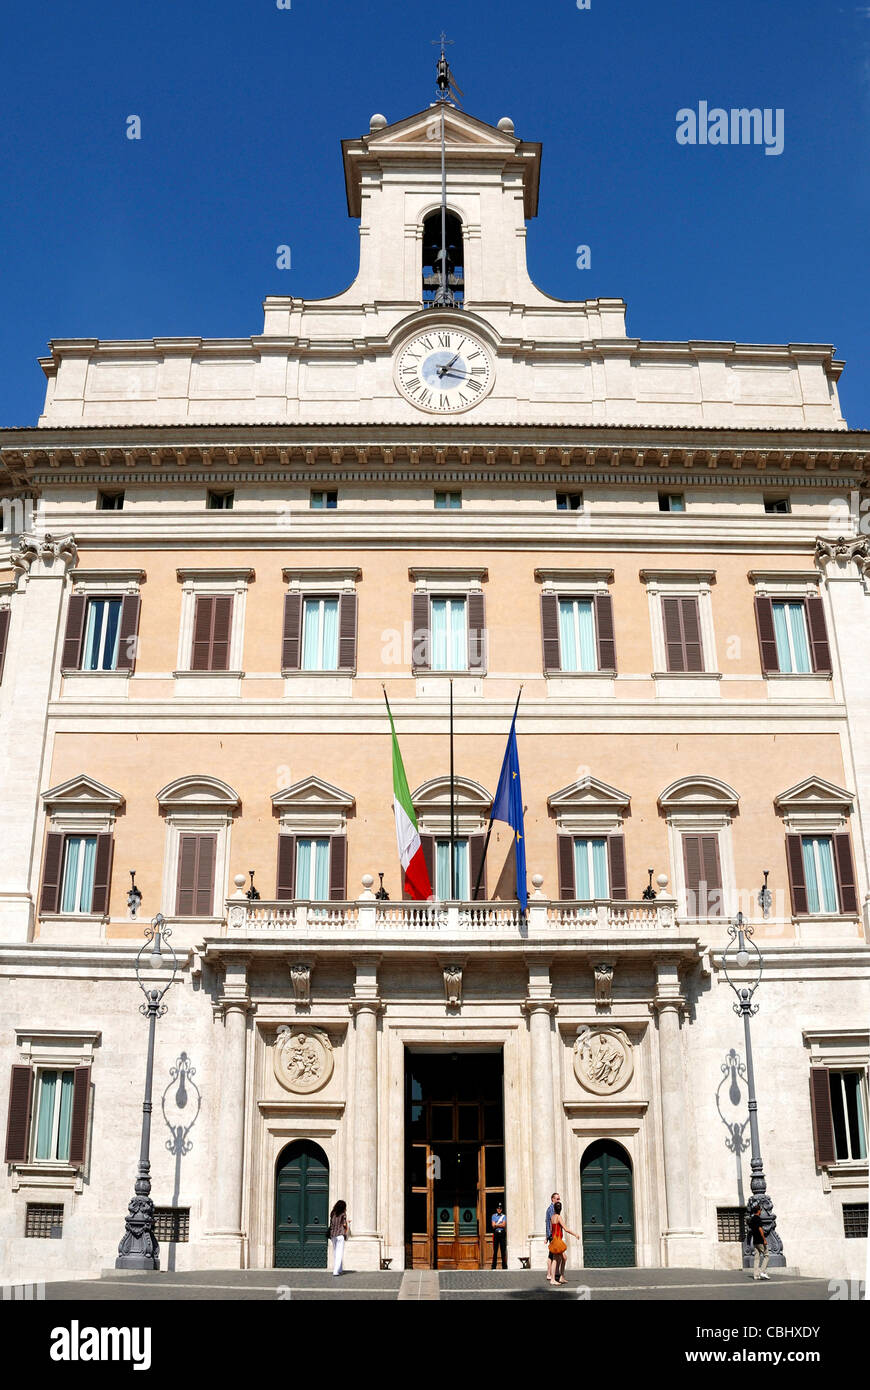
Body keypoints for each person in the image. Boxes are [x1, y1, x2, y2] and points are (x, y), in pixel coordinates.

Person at [548, 1201, 579, 1286]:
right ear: (560, 1209)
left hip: (554, 1239)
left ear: (554, 1209)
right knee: (555, 1259)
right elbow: (566, 1229)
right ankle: (553, 1279)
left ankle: (561, 1277)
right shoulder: (558, 1217)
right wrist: (575, 1234)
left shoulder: (552, 1217)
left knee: (564, 1258)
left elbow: (551, 1230)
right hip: (558, 1240)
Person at [748, 1201, 770, 1281]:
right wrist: (764, 1239)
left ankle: (756, 1275)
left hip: (755, 1241)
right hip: (760, 1240)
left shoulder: (752, 1219)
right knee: (766, 1255)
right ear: (758, 1211)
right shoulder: (758, 1218)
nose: (761, 1211)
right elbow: (760, 1229)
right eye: (760, 1210)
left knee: (756, 1258)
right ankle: (762, 1271)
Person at [328, 1199, 350, 1276]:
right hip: (340, 1235)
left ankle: (339, 1268)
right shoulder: (343, 1214)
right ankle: (335, 1271)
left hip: (333, 1234)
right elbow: (344, 1224)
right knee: (339, 1253)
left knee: (335, 1252)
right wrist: (347, 1223)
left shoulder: (332, 1213)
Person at [545, 1192, 560, 1284]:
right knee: (552, 1255)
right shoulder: (551, 1209)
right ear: (552, 1199)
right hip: (553, 1235)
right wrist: (550, 1236)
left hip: (551, 1235)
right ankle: (551, 1274)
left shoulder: (551, 1208)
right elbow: (551, 1223)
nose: (559, 1200)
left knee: (551, 1254)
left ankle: (551, 1273)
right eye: (557, 1199)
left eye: (559, 1199)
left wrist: (546, 1236)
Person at [491, 1202, 507, 1269]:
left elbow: (504, 1225)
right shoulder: (493, 1216)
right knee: (495, 1250)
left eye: (500, 1208)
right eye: (498, 1208)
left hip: (502, 1234)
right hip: (496, 1233)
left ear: (502, 1209)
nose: (499, 1209)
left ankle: (504, 1266)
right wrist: (499, 1224)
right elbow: (493, 1225)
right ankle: (494, 1266)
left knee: (503, 1250)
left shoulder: (504, 1216)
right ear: (496, 1209)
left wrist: (496, 1225)